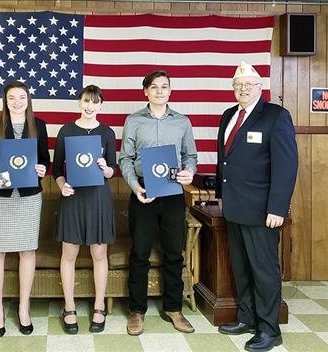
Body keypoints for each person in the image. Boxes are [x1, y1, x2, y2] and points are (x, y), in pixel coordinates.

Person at [216, 62, 297, 352]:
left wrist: (278, 207)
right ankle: (247, 318)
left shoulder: (275, 116)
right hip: (235, 208)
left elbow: (286, 167)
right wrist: (221, 195)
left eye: (249, 84)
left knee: (264, 271)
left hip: (263, 211)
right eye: (238, 85)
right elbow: (223, 162)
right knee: (242, 268)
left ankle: (269, 329)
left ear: (259, 87)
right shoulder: (228, 116)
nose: (243, 89)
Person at [119, 70, 197, 336]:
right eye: (154, 87)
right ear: (146, 92)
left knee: (174, 253)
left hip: (173, 192)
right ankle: (136, 310)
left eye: (165, 87)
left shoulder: (182, 122)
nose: (160, 91)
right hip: (143, 191)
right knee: (140, 252)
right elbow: (125, 159)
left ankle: (173, 308)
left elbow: (191, 156)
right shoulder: (133, 121)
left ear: (170, 91)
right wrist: (135, 187)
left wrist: (189, 171)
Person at [0, 81, 50, 337]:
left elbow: (45, 159)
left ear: (28, 100)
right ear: (5, 100)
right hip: (1, 198)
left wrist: (43, 168)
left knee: (27, 251)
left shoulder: (39, 125)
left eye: (22, 97)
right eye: (12, 97)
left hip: (29, 197)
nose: (17, 102)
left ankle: (23, 308)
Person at [53, 85, 116, 334]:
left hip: (99, 198)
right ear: (79, 102)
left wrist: (105, 168)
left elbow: (112, 170)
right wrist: (61, 186)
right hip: (73, 198)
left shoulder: (107, 133)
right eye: (86, 101)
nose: (90, 106)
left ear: (101, 105)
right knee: (69, 253)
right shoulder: (66, 130)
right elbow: (57, 169)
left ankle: (99, 305)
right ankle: (69, 306)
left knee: (99, 254)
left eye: (95, 102)